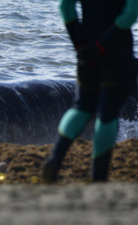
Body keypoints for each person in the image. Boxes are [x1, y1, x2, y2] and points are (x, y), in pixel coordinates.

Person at [42, 0, 138, 183]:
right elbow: (130, 14)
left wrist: (80, 46)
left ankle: (55, 159)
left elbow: (65, 8)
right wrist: (102, 45)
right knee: (107, 114)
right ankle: (98, 176)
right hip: (116, 52)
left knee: (82, 106)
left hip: (87, 50)